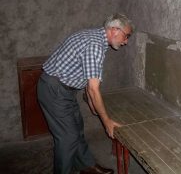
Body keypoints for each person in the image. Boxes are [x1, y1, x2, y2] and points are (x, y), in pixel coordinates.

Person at [37, 13, 134, 174]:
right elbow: (93, 88)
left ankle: (85, 166)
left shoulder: (95, 38)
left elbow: (86, 76)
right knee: (67, 138)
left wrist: (90, 99)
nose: (126, 41)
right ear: (115, 30)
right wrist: (106, 121)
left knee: (76, 128)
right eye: (126, 35)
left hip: (63, 90)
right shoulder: (95, 45)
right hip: (55, 90)